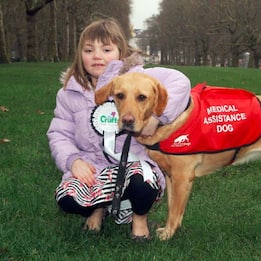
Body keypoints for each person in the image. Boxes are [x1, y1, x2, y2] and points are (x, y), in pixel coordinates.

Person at [47, 18, 191, 241]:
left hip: (134, 166)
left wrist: (156, 117)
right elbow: (59, 135)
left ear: (120, 52)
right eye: (89, 50)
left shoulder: (139, 77)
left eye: (106, 49)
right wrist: (73, 161)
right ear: (80, 55)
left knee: (142, 184)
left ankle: (139, 218)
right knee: (67, 200)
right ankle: (98, 208)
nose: (97, 56)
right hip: (93, 169)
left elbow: (180, 82)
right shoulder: (68, 93)